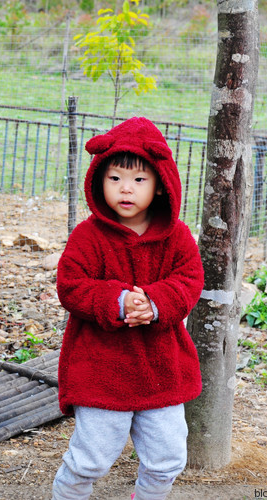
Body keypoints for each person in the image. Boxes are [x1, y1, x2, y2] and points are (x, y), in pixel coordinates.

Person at [52, 116, 204, 500]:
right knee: (91, 461)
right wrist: (118, 301)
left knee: (167, 459)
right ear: (98, 180)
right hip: (102, 369)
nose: (125, 188)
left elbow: (190, 279)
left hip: (160, 368)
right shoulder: (88, 236)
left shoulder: (177, 237)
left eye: (139, 180)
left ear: (159, 186)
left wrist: (156, 303)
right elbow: (71, 285)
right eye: (115, 177)